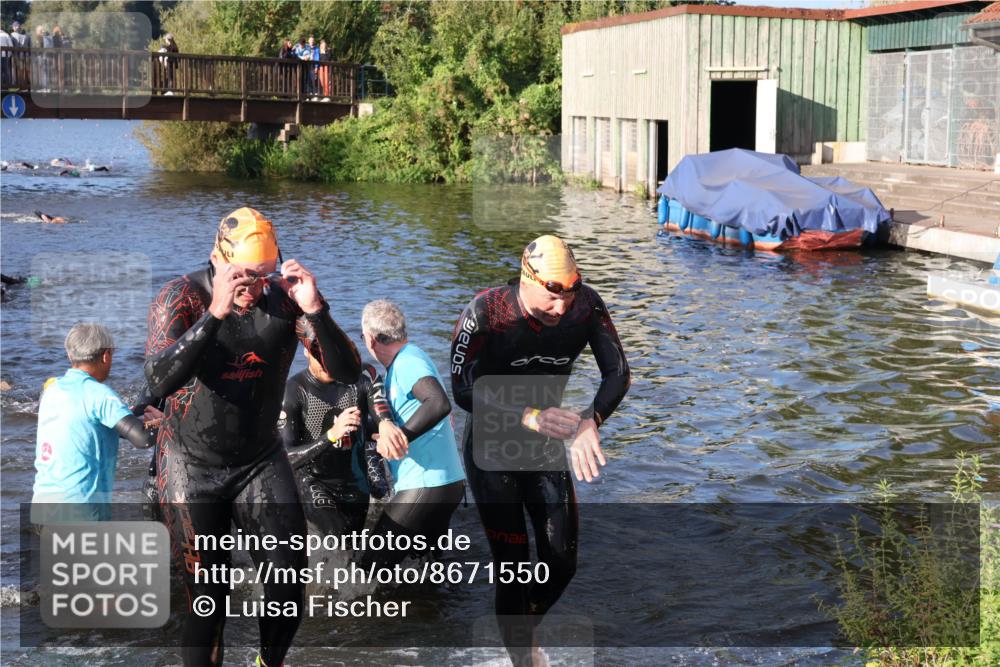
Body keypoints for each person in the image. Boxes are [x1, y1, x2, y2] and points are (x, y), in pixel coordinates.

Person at [144, 207, 361, 667]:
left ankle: (268, 663)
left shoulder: (284, 300)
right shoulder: (179, 297)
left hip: (259, 460)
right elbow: (157, 381)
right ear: (217, 259)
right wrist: (217, 313)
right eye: (243, 275)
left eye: (264, 274)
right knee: (210, 597)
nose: (254, 287)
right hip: (189, 464)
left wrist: (315, 310)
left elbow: (347, 373)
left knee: (288, 586)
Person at [450, 235, 630, 666]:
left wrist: (591, 421)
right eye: (553, 294)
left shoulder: (586, 305)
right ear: (527, 279)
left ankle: (519, 633)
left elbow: (618, 373)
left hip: (545, 444)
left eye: (570, 292)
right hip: (491, 446)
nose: (563, 307)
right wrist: (528, 415)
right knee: (512, 567)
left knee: (561, 562)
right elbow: (461, 389)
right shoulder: (487, 311)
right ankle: (522, 658)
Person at [359, 300, 465, 569]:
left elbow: (438, 403)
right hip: (447, 484)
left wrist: (400, 436)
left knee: (370, 570)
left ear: (371, 340)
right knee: (426, 572)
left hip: (426, 485)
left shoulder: (407, 362)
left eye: (362, 337)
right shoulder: (408, 360)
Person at [31, 323, 162, 523]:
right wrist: (166, 424)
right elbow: (142, 439)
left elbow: (90, 425)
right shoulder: (98, 394)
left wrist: (138, 416)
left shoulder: (51, 390)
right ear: (105, 355)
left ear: (70, 355)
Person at [279, 344, 403, 537]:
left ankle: (373, 463)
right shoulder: (293, 390)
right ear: (305, 351)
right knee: (336, 535)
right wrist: (331, 436)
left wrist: (386, 425)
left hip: (355, 482)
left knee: (353, 547)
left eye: (329, 355)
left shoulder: (363, 375)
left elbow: (381, 410)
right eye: (317, 357)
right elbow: (285, 458)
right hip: (314, 481)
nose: (325, 364)